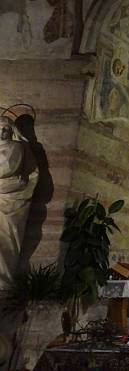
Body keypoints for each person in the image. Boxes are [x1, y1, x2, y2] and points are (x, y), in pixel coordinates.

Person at [0, 116, 38, 290]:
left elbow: (8, 168)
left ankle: (3, 283)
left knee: (6, 240)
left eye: (5, 129)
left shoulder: (16, 147)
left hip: (10, 202)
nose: (2, 132)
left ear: (11, 131)